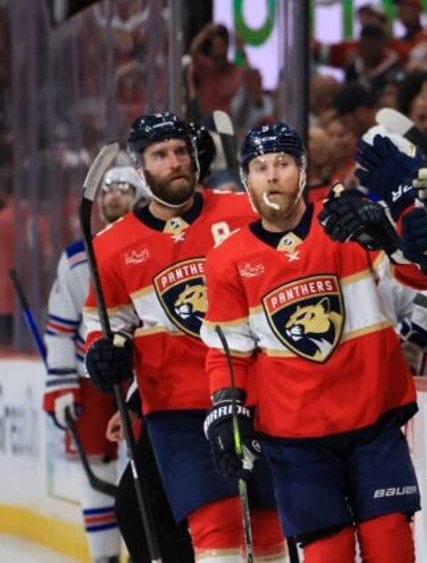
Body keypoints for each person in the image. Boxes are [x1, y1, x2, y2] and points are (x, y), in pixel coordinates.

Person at [201, 122, 420, 561]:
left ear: (302, 170)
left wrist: (393, 240)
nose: (273, 175)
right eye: (260, 167)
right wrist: (227, 406)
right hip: (294, 436)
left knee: (389, 544)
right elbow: (229, 351)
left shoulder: (345, 223)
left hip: (372, 419)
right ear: (246, 179)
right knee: (327, 553)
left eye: (282, 163)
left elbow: (416, 282)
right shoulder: (228, 259)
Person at [82, 111, 287, 561]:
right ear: (140, 169)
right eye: (160, 155)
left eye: (180, 151)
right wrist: (102, 353)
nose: (174, 161)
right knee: (215, 528)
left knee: (271, 525)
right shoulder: (113, 245)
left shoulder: (240, 211)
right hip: (177, 410)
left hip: (257, 394)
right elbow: (105, 324)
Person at [42, 166, 143, 563]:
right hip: (91, 383)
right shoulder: (75, 259)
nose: (115, 197)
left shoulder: (148, 249)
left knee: (139, 474)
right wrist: (61, 385)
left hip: (140, 381)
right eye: (108, 191)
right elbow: (60, 328)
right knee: (98, 477)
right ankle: (104, 558)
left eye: (124, 189)